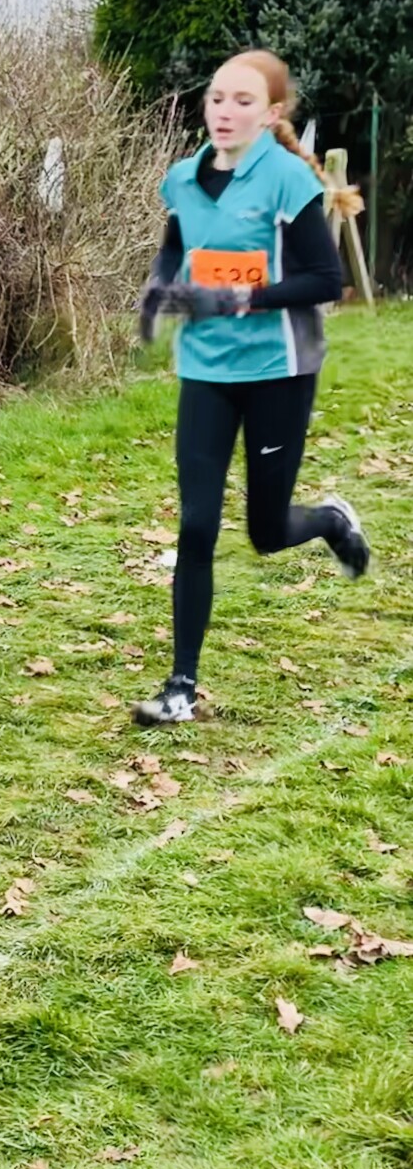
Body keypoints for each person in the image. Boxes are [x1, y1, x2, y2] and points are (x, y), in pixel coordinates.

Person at [133, 49, 370, 727]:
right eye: (216, 98)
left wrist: (243, 299)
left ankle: (329, 520)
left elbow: (325, 280)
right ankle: (181, 686)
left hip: (278, 372)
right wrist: (158, 291)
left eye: (243, 101)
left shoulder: (287, 180)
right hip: (206, 371)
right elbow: (176, 246)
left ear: (271, 115)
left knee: (266, 532)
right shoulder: (183, 179)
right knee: (196, 525)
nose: (225, 112)